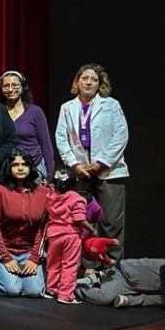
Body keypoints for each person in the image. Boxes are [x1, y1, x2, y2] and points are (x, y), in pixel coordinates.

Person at [54, 62, 128, 262]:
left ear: (99, 84)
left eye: (94, 79)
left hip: (109, 171)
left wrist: (101, 163)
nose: (89, 82)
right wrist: (74, 164)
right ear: (77, 82)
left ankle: (112, 268)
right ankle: (87, 267)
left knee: (111, 222)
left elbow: (121, 135)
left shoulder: (111, 105)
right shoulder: (67, 108)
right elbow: (61, 137)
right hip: (81, 172)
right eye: (85, 78)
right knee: (83, 220)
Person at [0, 149, 48, 298]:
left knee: (35, 292)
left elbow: (43, 228)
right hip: (2, 250)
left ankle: (15, 276)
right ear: (8, 167)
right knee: (11, 290)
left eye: (24, 164)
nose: (20, 168)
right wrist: (6, 258)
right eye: (15, 165)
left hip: (28, 251)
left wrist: (34, 258)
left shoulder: (43, 193)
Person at [76, 259, 165, 316]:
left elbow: (159, 300)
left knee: (163, 300)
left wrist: (129, 301)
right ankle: (73, 285)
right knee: (104, 297)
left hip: (132, 289)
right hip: (124, 274)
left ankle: (93, 278)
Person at [44, 169, 96, 305]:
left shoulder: (50, 196)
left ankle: (51, 289)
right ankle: (65, 295)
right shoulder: (76, 198)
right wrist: (91, 229)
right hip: (70, 235)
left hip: (54, 235)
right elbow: (79, 218)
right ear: (75, 182)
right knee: (70, 265)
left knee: (53, 263)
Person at [0, 70, 55, 178]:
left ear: (23, 87)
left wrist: (50, 175)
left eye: (15, 85)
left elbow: (46, 144)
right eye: (6, 86)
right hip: (7, 171)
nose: (10, 89)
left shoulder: (35, 112)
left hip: (34, 168)